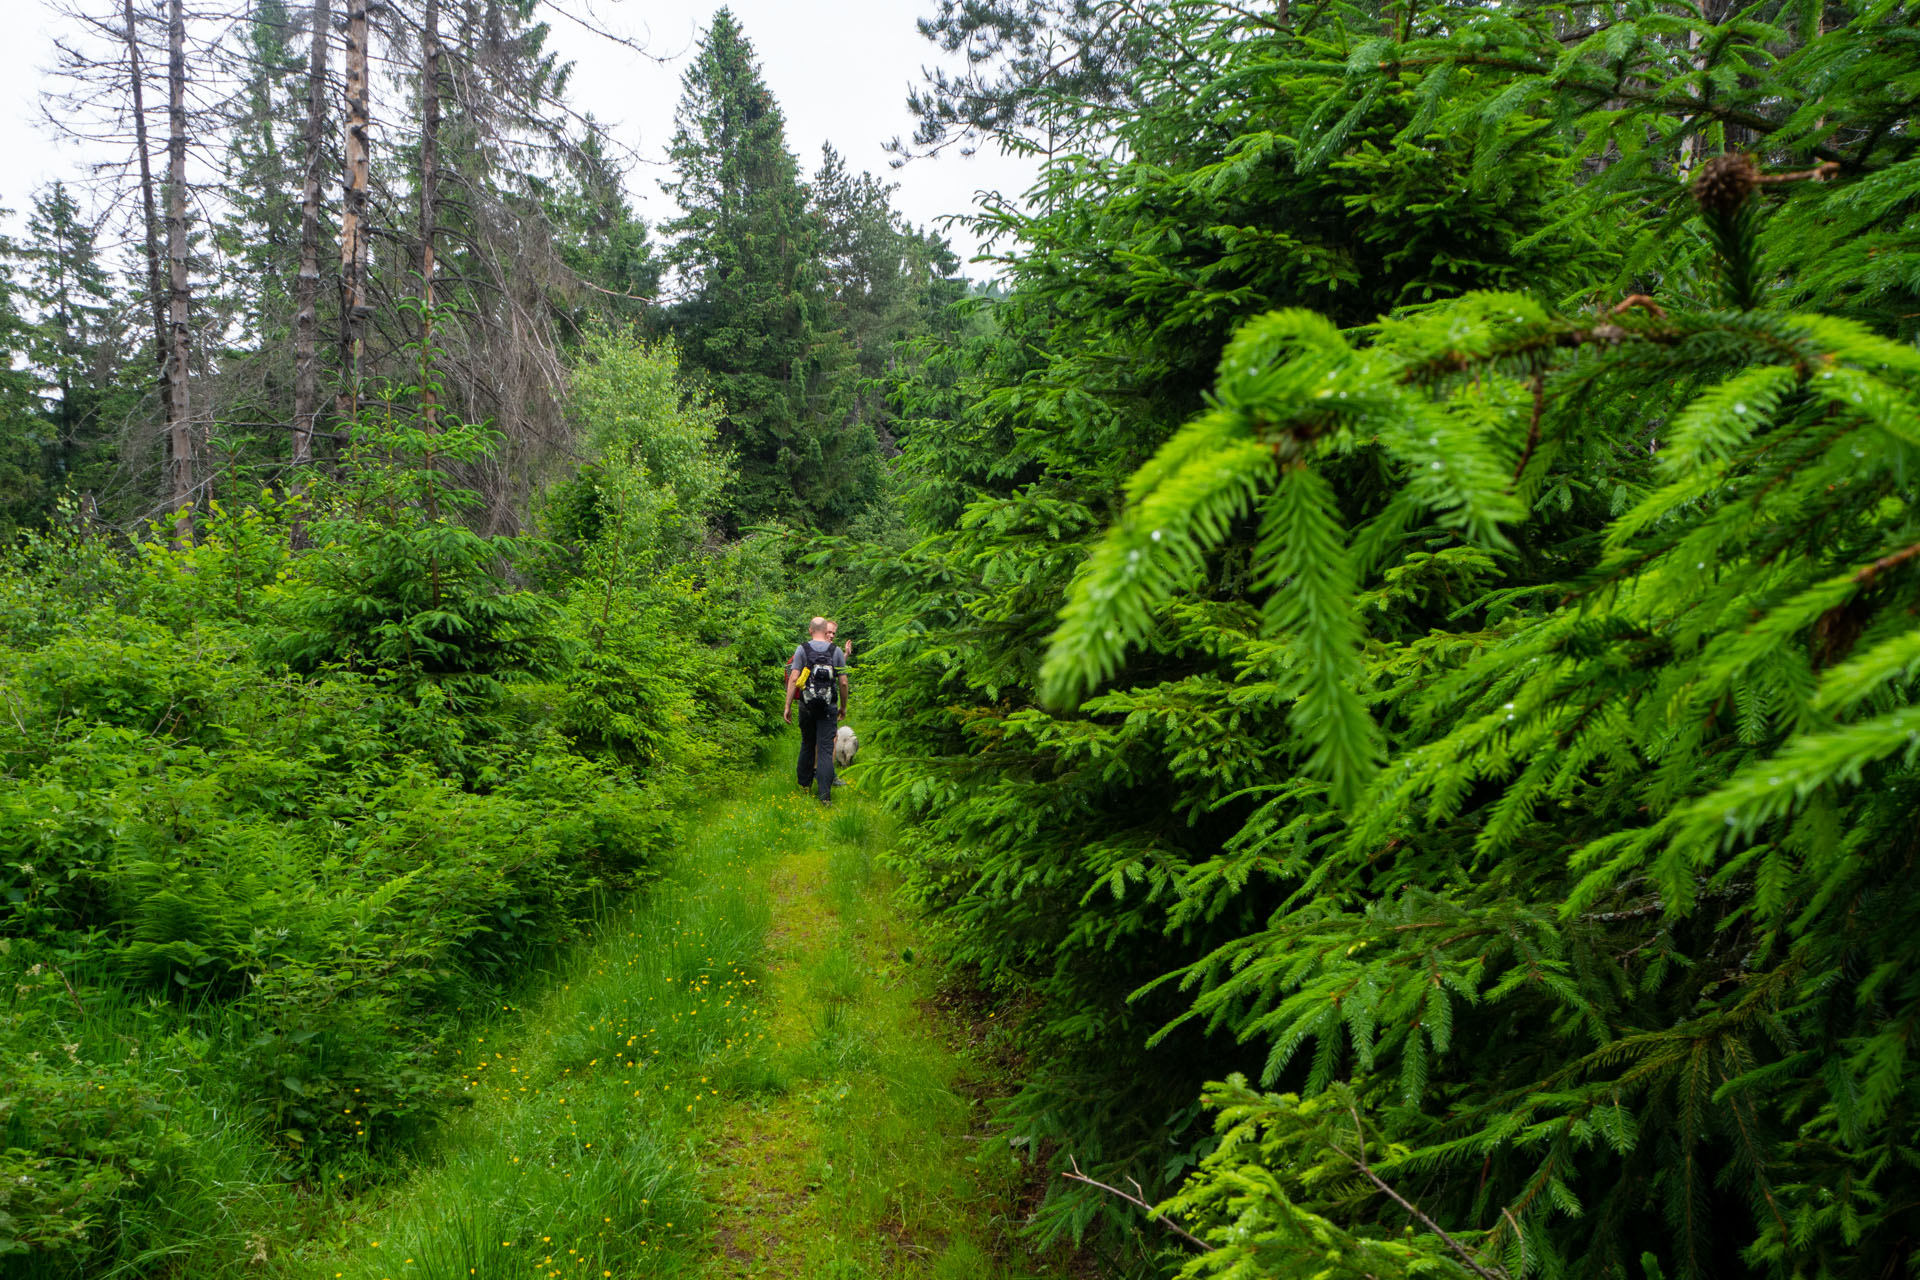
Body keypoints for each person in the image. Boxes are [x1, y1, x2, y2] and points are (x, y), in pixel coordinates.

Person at [783, 616, 849, 804]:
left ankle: (804, 787)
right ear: (824, 629)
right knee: (827, 749)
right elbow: (843, 681)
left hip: (807, 706)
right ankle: (825, 796)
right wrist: (843, 706)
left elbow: (794, 678)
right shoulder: (835, 651)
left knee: (807, 743)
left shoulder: (802, 649)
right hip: (829, 707)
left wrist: (788, 705)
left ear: (811, 630)